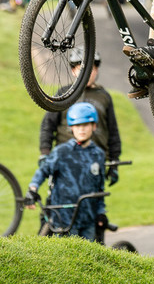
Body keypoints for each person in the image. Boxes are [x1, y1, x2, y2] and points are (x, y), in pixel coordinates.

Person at [25, 102, 107, 241]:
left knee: (90, 257)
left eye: (86, 125)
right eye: (78, 125)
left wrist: (101, 212)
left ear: (94, 126)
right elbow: (43, 171)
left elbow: (99, 187)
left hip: (88, 219)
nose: (82, 129)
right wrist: (32, 190)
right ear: (71, 128)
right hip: (64, 219)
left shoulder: (98, 154)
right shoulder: (61, 152)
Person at [39, 48, 122, 177]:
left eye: (91, 68)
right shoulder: (64, 94)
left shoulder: (104, 96)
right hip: (65, 161)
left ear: (97, 70)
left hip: (95, 162)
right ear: (73, 71)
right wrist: (45, 153)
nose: (87, 73)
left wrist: (114, 162)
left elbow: (112, 132)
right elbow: (48, 125)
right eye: (81, 68)